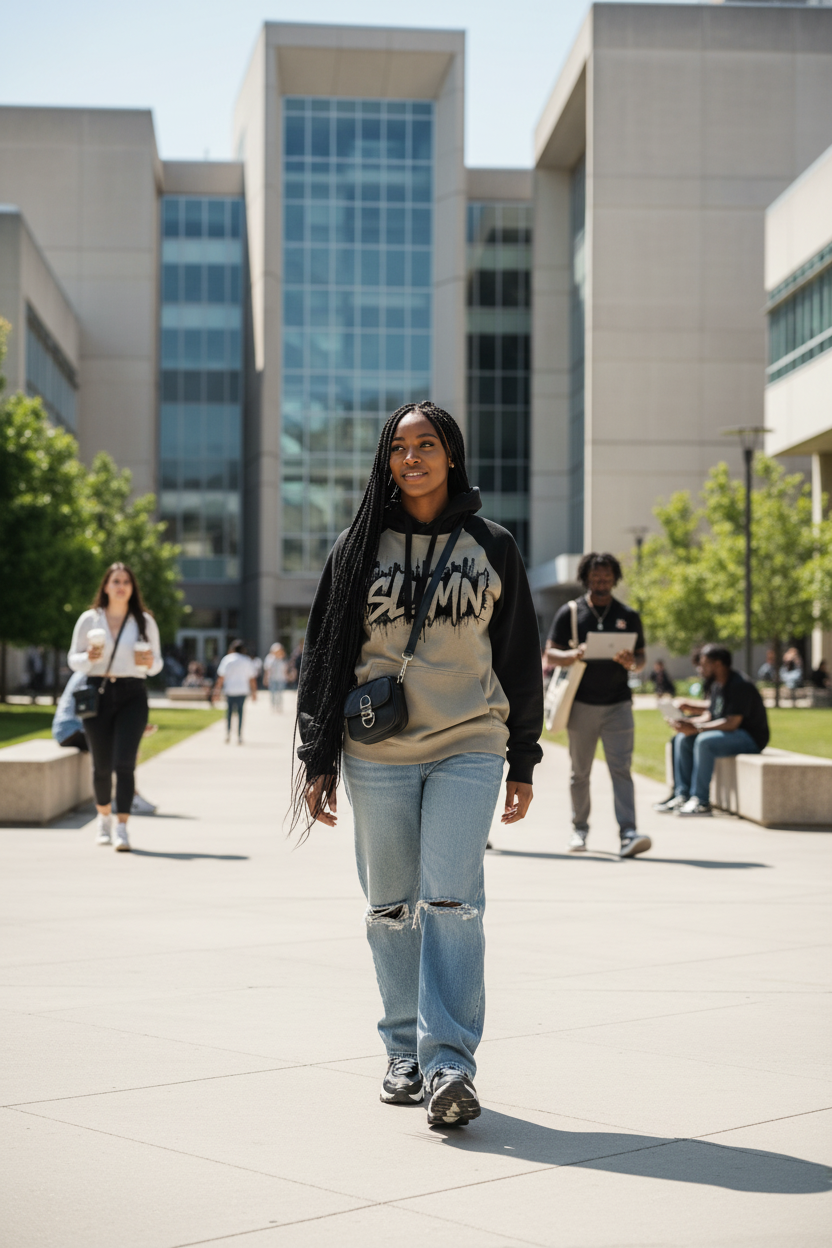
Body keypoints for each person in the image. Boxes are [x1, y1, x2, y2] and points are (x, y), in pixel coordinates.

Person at [295, 401, 543, 1128]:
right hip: (378, 751)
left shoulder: (491, 545)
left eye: (426, 444)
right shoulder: (357, 547)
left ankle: (448, 1066)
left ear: (452, 455)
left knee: (452, 902)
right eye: (398, 447)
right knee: (390, 908)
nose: (412, 458)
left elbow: (520, 659)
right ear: (385, 461)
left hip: (470, 743)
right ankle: (402, 1050)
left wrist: (523, 758)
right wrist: (318, 757)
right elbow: (324, 656)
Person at [544, 553, 650, 858]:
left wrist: (633, 663)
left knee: (622, 769)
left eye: (606, 577)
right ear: (586, 579)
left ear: (615, 579)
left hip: (618, 704)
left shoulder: (628, 614)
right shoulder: (572, 613)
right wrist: (577, 653)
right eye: (595, 577)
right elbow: (551, 655)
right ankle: (579, 829)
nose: (601, 582)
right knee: (580, 773)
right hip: (581, 705)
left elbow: (641, 659)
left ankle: (628, 832)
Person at [68, 563, 163, 850]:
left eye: (126, 582)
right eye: (115, 581)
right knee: (101, 765)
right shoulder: (89, 619)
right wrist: (88, 657)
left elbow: (156, 662)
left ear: (132, 588)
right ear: (106, 586)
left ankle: (122, 827)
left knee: (124, 763)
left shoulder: (144, 620)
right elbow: (74, 659)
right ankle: (103, 818)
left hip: (132, 694)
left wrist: (149, 664)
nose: (121, 586)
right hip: (97, 691)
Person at [654, 644, 769, 816]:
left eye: (705, 663)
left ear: (718, 664)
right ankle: (682, 795)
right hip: (729, 734)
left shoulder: (740, 685)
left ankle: (701, 801)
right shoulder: (717, 685)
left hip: (750, 738)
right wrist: (686, 723)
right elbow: (710, 714)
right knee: (682, 739)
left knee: (703, 741)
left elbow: (732, 723)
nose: (701, 668)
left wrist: (697, 728)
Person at [214, 640, 258, 743]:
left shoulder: (227, 659)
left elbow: (221, 677)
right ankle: (239, 735)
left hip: (230, 690)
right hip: (242, 690)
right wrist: (254, 693)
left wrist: (217, 691)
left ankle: (228, 733)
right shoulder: (246, 660)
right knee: (240, 713)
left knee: (229, 713)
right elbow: (252, 678)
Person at [264, 642, 287, 711]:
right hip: (272, 678)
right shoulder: (269, 658)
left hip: (280, 678)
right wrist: (265, 678)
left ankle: (279, 706)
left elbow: (285, 668)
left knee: (280, 693)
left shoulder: (282, 658)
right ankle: (273, 706)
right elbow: (267, 669)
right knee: (273, 693)